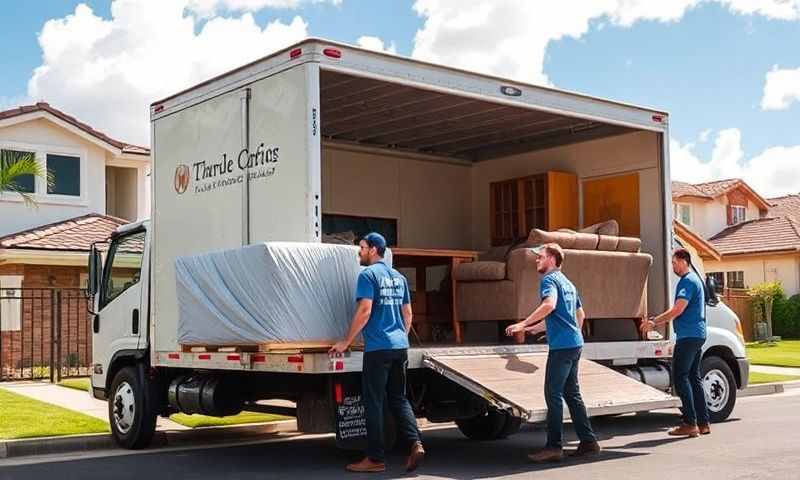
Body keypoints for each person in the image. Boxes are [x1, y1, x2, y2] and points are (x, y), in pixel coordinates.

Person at [330, 232, 425, 473]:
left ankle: (375, 459)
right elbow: (408, 314)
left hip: (378, 348)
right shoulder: (399, 277)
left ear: (373, 250)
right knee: (398, 398)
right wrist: (400, 336)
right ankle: (415, 443)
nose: (358, 252)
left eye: (361, 248)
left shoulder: (368, 275)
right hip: (399, 346)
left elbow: (364, 311)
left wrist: (346, 341)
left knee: (374, 401)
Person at [505, 243, 600, 463]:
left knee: (553, 394)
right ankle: (588, 442)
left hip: (562, 347)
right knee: (572, 394)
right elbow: (579, 315)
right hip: (574, 343)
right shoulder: (568, 283)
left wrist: (523, 322)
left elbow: (549, 305)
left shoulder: (548, 281)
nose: (537, 259)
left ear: (552, 259)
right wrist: (533, 329)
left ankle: (554, 447)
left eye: (541, 256)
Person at [640, 248, 710, 437]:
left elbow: (678, 309)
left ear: (684, 261)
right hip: (698, 335)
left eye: (674, 262)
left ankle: (690, 423)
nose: (672, 266)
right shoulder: (696, 280)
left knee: (680, 377)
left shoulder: (687, 281)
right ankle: (703, 422)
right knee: (694, 379)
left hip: (688, 336)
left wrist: (654, 322)